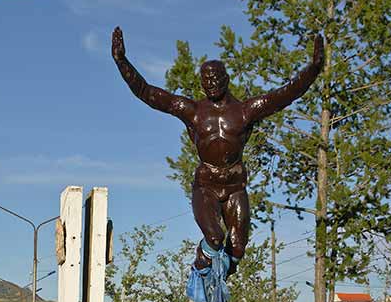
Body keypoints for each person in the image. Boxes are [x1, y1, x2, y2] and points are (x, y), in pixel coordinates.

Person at [112, 26, 324, 276]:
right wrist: (122, 61)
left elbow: (286, 94)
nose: (210, 84)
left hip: (235, 187)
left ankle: (220, 280)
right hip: (206, 185)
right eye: (205, 80)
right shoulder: (193, 111)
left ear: (226, 79)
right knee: (214, 237)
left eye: (214, 78)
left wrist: (313, 68)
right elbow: (147, 93)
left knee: (238, 248)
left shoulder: (245, 111)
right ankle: (200, 269)